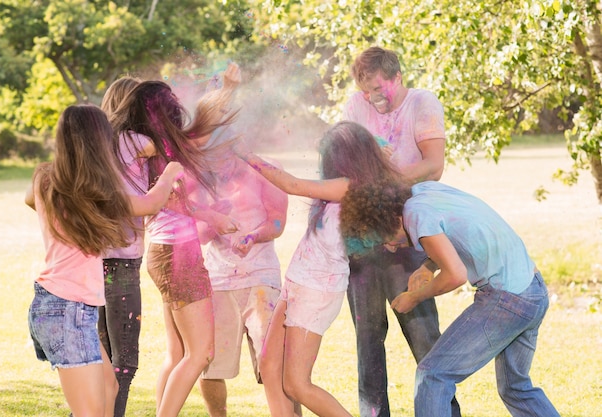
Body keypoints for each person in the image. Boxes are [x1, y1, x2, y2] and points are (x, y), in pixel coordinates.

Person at [339, 180, 561, 417]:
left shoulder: (415, 215)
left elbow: (455, 275)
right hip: (533, 291)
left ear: (391, 218)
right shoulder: (423, 193)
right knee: (515, 388)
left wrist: (414, 297)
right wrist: (427, 267)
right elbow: (454, 232)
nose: (391, 248)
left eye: (386, 238)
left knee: (432, 375)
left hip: (507, 300)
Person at [25, 104, 185, 417]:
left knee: (110, 389)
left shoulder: (46, 178)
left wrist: (62, 222)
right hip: (67, 308)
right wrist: (170, 173)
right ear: (98, 142)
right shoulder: (95, 192)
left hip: (61, 304)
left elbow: (30, 200)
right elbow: (151, 203)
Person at [237, 120, 403, 417]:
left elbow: (293, 185)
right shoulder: (351, 183)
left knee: (298, 385)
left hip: (317, 291)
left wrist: (246, 155)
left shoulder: (350, 186)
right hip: (298, 281)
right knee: (270, 366)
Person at [108, 66, 240, 417]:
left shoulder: (149, 147)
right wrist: (226, 89)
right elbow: (201, 129)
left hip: (166, 253)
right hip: (176, 256)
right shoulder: (144, 144)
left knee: (179, 352)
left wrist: (211, 216)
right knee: (201, 353)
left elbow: (176, 198)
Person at [342, 46, 460, 417]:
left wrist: (383, 179)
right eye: (366, 91)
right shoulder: (355, 106)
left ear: (397, 77)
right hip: (363, 240)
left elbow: (434, 166)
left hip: (410, 235)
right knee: (367, 343)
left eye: (379, 89)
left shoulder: (422, 103)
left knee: (425, 341)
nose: (372, 98)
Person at [193, 126, 290, 417]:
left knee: (274, 361)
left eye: (223, 156)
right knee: (210, 365)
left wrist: (252, 236)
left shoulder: (265, 171)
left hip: (261, 279)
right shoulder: (203, 179)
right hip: (218, 280)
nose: (218, 166)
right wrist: (214, 221)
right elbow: (199, 235)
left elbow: (277, 223)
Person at [98, 75, 144, 417]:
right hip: (122, 268)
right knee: (124, 363)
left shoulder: (99, 142)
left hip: (96, 265)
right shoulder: (134, 141)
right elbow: (181, 142)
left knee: (102, 362)